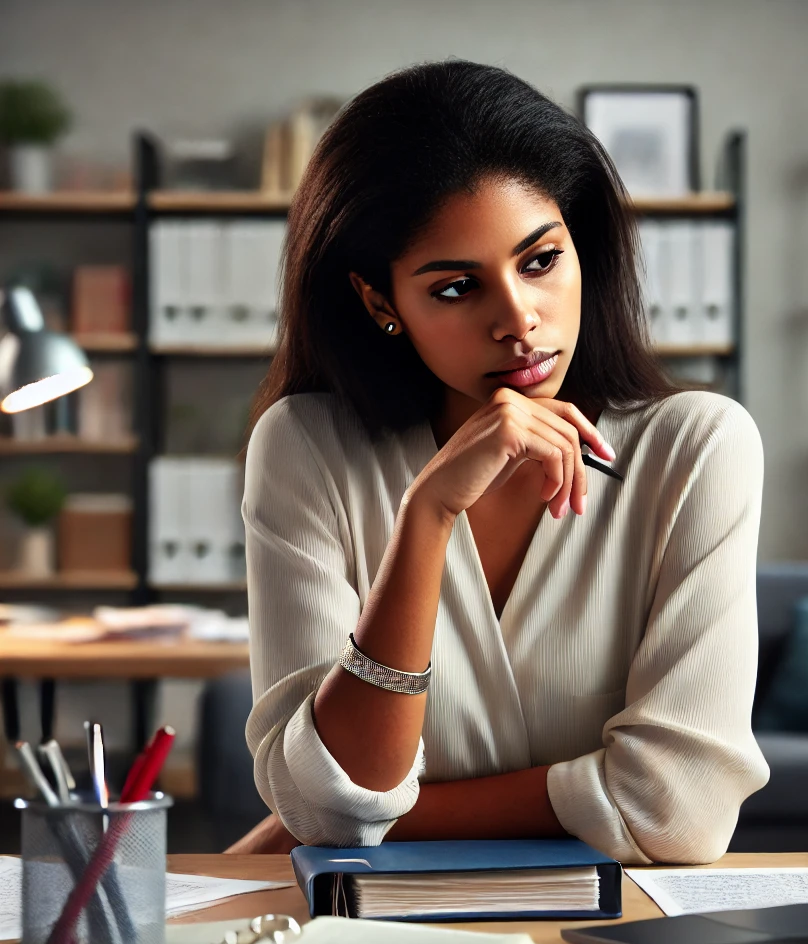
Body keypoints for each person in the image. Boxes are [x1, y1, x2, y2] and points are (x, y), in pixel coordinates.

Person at [232, 59, 768, 863]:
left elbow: (680, 810)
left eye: (541, 260)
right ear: (382, 304)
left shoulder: (697, 450)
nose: (519, 320)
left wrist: (375, 819)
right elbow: (328, 796)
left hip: (618, 938)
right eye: (455, 289)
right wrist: (427, 516)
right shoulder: (306, 449)